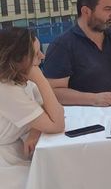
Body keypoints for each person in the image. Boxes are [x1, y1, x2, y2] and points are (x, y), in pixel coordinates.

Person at [0, 28, 65, 189]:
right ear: (19, 60)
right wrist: (39, 77)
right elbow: (57, 124)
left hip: (17, 151)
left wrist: (35, 132)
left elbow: (55, 109)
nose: (42, 57)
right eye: (36, 54)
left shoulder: (21, 81)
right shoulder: (6, 89)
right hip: (5, 164)